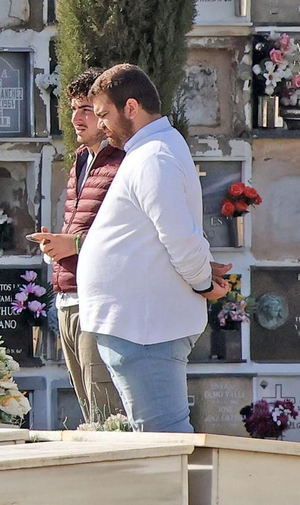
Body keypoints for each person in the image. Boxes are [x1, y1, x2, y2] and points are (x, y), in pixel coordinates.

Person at [75, 64, 230, 433]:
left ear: (131, 107)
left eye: (103, 115)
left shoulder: (154, 157)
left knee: (164, 441)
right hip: (137, 324)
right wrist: (202, 272)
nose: (100, 126)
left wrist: (203, 282)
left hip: (145, 329)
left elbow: (179, 236)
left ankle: (182, 495)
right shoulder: (148, 152)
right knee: (158, 442)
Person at [29, 69, 126, 423]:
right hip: (67, 296)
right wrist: (56, 244)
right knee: (87, 406)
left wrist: (75, 244)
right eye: (72, 109)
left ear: (105, 113)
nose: (75, 118)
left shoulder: (122, 162)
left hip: (99, 300)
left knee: (106, 409)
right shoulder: (81, 161)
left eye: (85, 109)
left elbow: (127, 234)